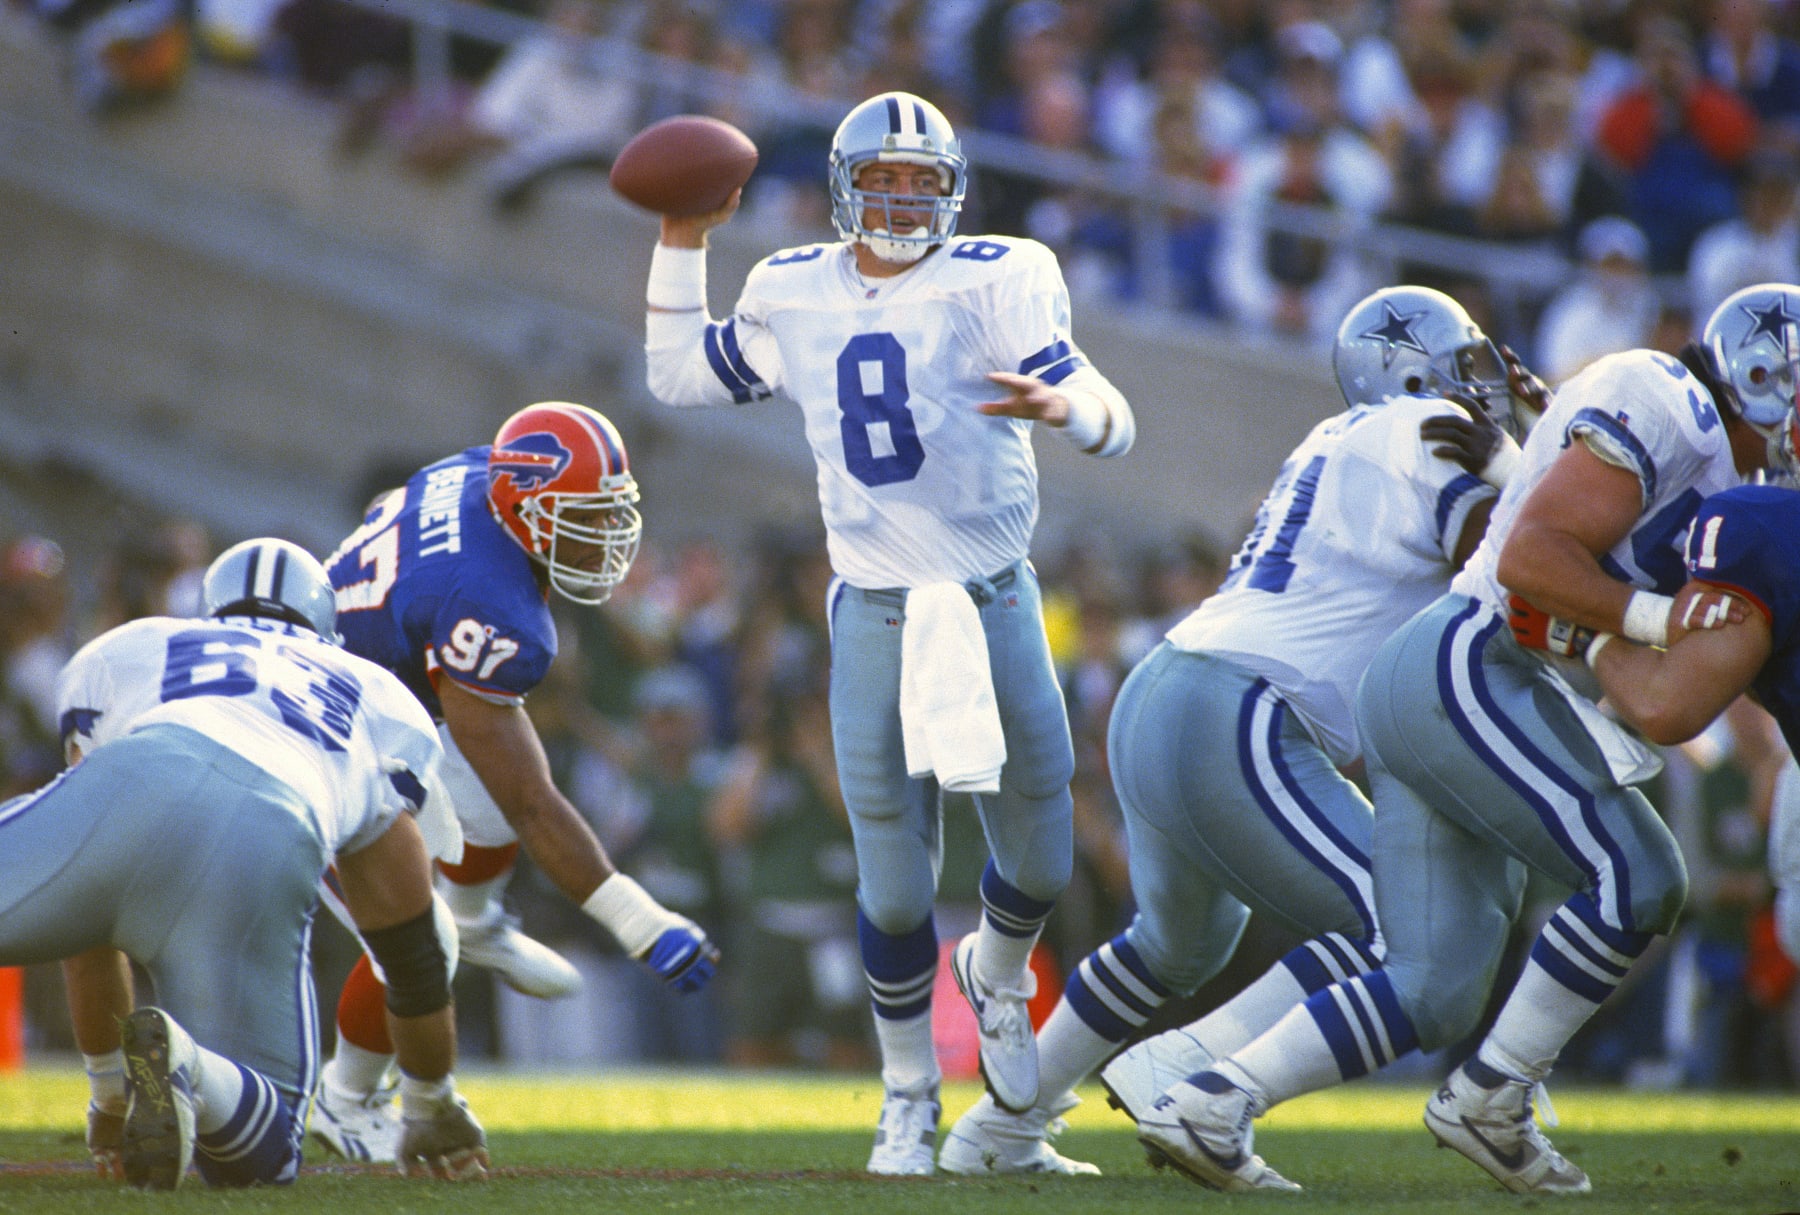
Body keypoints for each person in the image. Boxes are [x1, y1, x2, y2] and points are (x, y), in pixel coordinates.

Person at [1131, 280, 1800, 1195]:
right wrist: (1649, 619)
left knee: (1436, 981)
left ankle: (1212, 1101)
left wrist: (1602, 610)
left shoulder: (1722, 471)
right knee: (1641, 875)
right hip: (1468, 662)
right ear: (1762, 379)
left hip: (1451, 675)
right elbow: (1530, 557)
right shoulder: (1668, 397)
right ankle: (1492, 1094)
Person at [641, 90, 1136, 1174]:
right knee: (897, 885)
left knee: (1043, 858)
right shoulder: (792, 286)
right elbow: (678, 374)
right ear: (841, 187)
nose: (904, 199)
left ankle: (998, 978)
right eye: (884, 179)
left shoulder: (999, 274)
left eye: (923, 181)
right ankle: (907, 1095)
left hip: (992, 593)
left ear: (954, 189)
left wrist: (1076, 412)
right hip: (874, 605)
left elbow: (1105, 408)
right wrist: (680, 242)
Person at [939, 285, 1530, 1175]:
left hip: (1166, 692)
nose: (1481, 391)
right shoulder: (1418, 431)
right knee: (1404, 928)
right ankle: (1188, 1076)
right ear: (1415, 372)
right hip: (1242, 709)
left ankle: (995, 1132)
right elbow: (1512, 565)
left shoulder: (1329, 440)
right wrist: (1528, 465)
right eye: (1465, 367)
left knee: (1180, 941)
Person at [5, 538, 486, 1189]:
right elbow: (413, 954)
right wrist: (430, 1100)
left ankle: (164, 1074)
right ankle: (194, 1068)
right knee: (263, 1151)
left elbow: (87, 934)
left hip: (135, 771)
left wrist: (110, 1091)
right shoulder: (379, 694)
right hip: (266, 824)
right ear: (325, 629)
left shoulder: (131, 647)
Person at [311, 401, 717, 1162]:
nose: (604, 538)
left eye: (608, 514)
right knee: (412, 935)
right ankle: (346, 1094)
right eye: (581, 519)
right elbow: (535, 802)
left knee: (483, 809)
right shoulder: (490, 604)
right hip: (323, 737)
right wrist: (640, 919)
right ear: (525, 510)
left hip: (377, 696)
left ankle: (473, 918)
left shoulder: (478, 473)